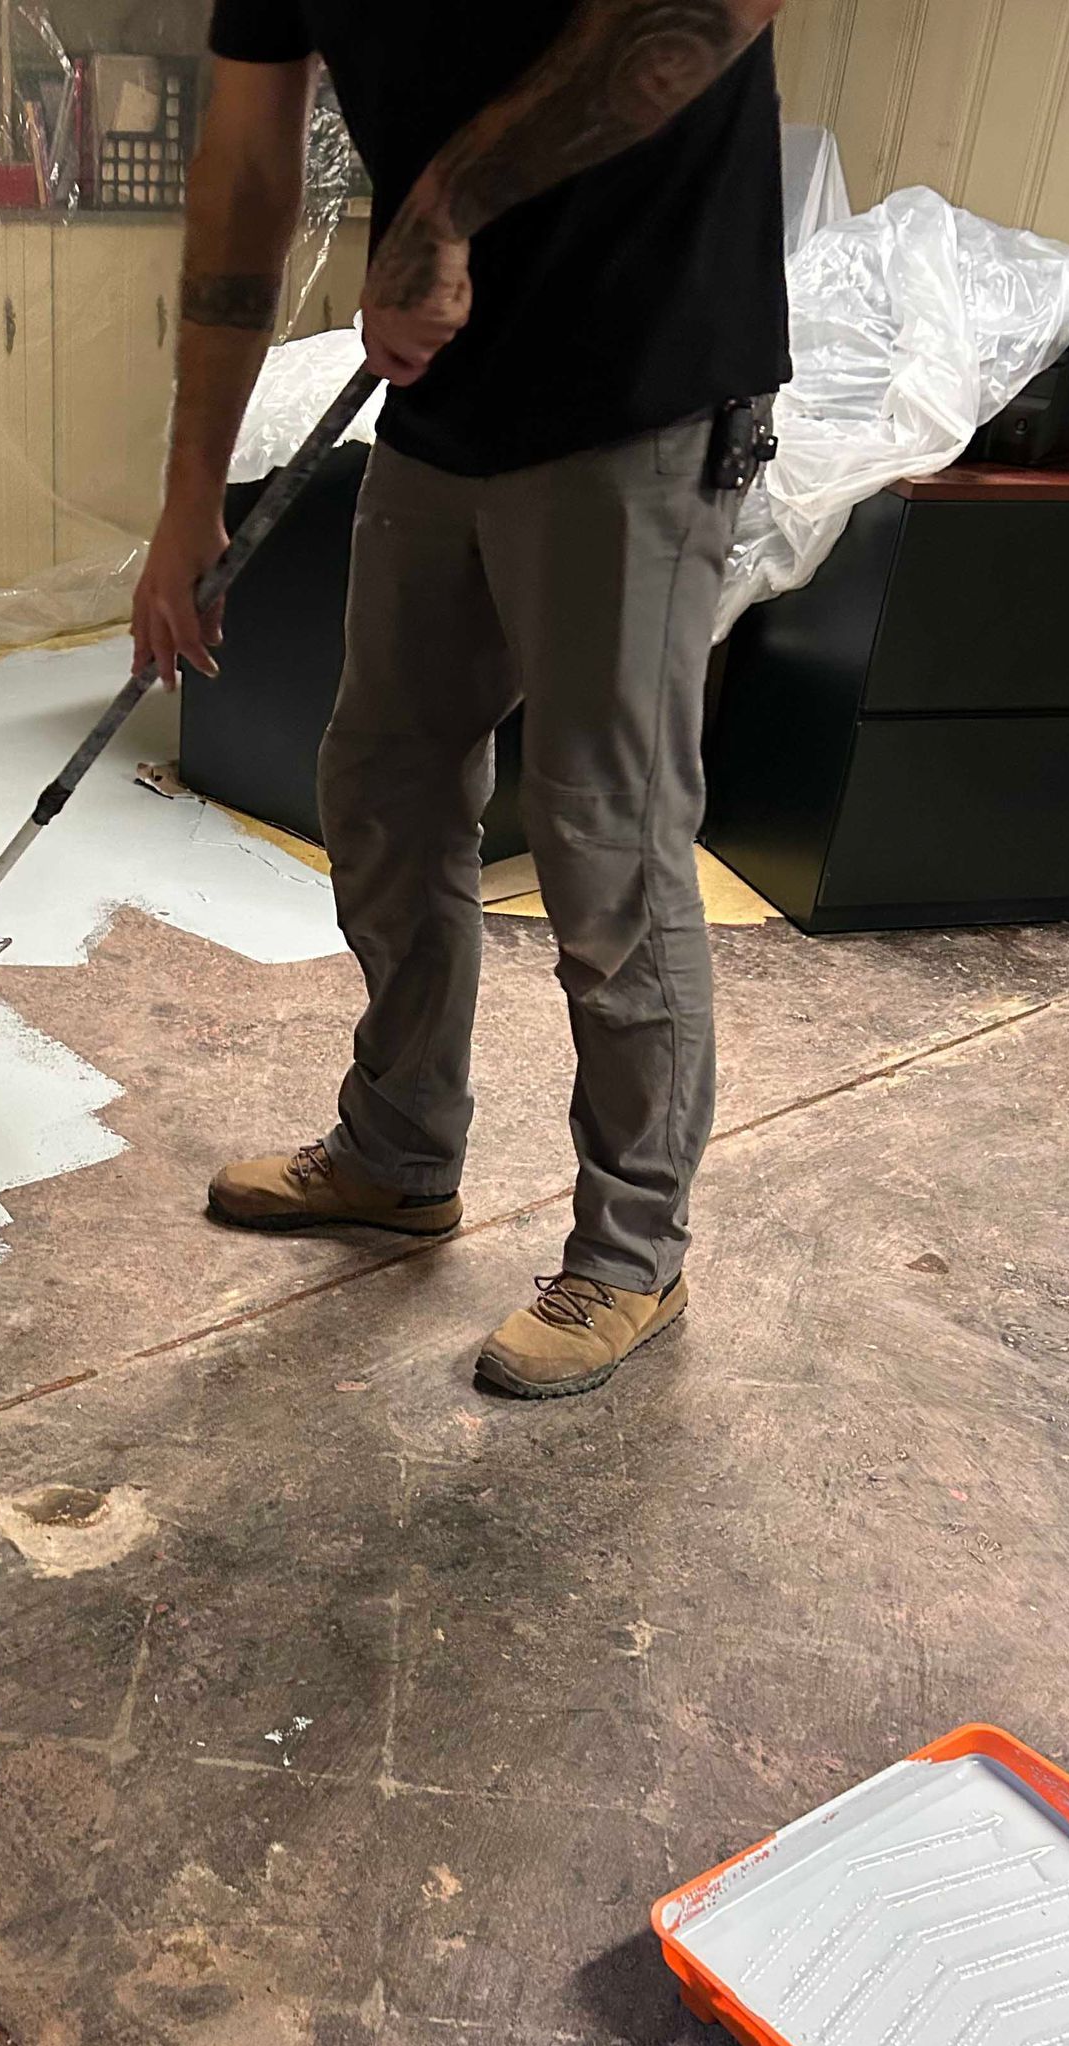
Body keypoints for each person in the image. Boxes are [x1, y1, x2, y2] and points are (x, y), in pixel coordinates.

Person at [132, 2, 790, 1398]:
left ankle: (631, 1254)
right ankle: (398, 1151)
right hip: (441, 399)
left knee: (604, 836)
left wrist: (441, 202)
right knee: (383, 789)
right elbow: (248, 163)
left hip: (643, 378)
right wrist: (194, 486)